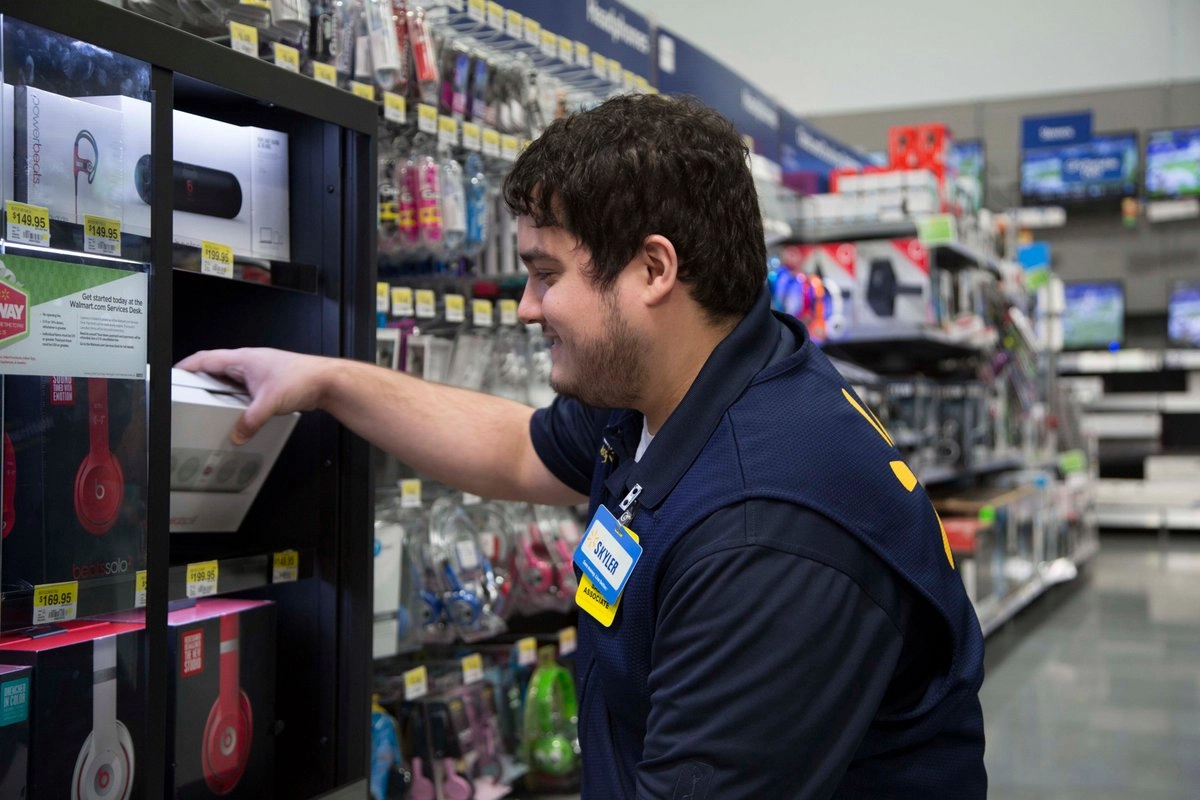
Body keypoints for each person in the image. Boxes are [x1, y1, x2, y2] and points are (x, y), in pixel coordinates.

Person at [180, 94, 986, 798]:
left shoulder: (764, 535)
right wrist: (325, 380)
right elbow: (517, 449)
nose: (527, 307)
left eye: (545, 273)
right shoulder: (681, 381)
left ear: (653, 269)